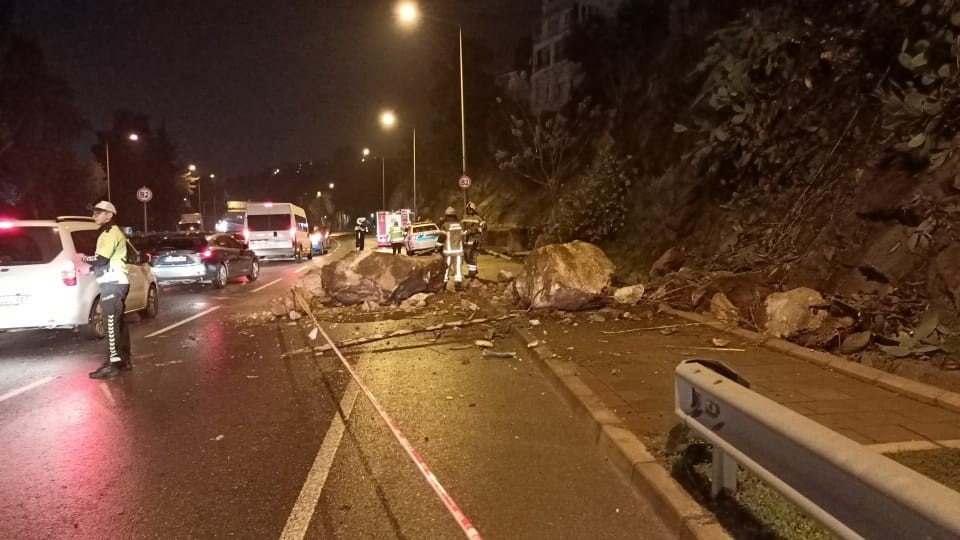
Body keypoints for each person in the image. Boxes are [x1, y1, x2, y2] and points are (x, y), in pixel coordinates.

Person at [84, 201, 132, 379]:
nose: (94, 216)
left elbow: (101, 259)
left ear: (109, 215)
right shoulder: (108, 232)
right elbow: (103, 261)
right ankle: (123, 359)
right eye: (94, 213)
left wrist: (83, 259)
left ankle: (113, 363)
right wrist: (90, 266)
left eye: (98, 213)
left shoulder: (111, 233)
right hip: (115, 281)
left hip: (113, 283)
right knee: (118, 323)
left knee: (110, 323)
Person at [461, 201, 487, 280]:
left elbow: (484, 226)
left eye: (470, 209)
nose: (469, 210)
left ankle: (472, 274)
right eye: (468, 209)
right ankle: (473, 271)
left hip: (475, 240)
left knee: (472, 257)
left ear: (473, 209)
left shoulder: (478, 218)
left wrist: (474, 230)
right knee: (466, 257)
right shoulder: (464, 217)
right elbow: (461, 226)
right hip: (466, 241)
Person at [441, 206, 464, 290]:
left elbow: (442, 238)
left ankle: (444, 284)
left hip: (448, 252)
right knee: (458, 267)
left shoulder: (445, 225)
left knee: (446, 267)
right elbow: (463, 236)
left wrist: (437, 247)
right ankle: (458, 285)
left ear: (447, 216)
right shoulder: (461, 224)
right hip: (458, 251)